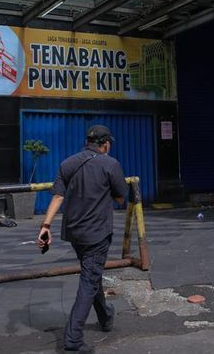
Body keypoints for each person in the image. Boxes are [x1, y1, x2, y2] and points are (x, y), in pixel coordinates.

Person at [38, 125, 127, 353]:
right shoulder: (110, 164)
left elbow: (58, 197)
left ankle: (105, 316)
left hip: (74, 233)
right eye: (109, 143)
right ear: (105, 144)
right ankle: (73, 340)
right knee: (89, 281)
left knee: (92, 273)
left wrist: (45, 226)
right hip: (97, 233)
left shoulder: (67, 163)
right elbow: (120, 198)